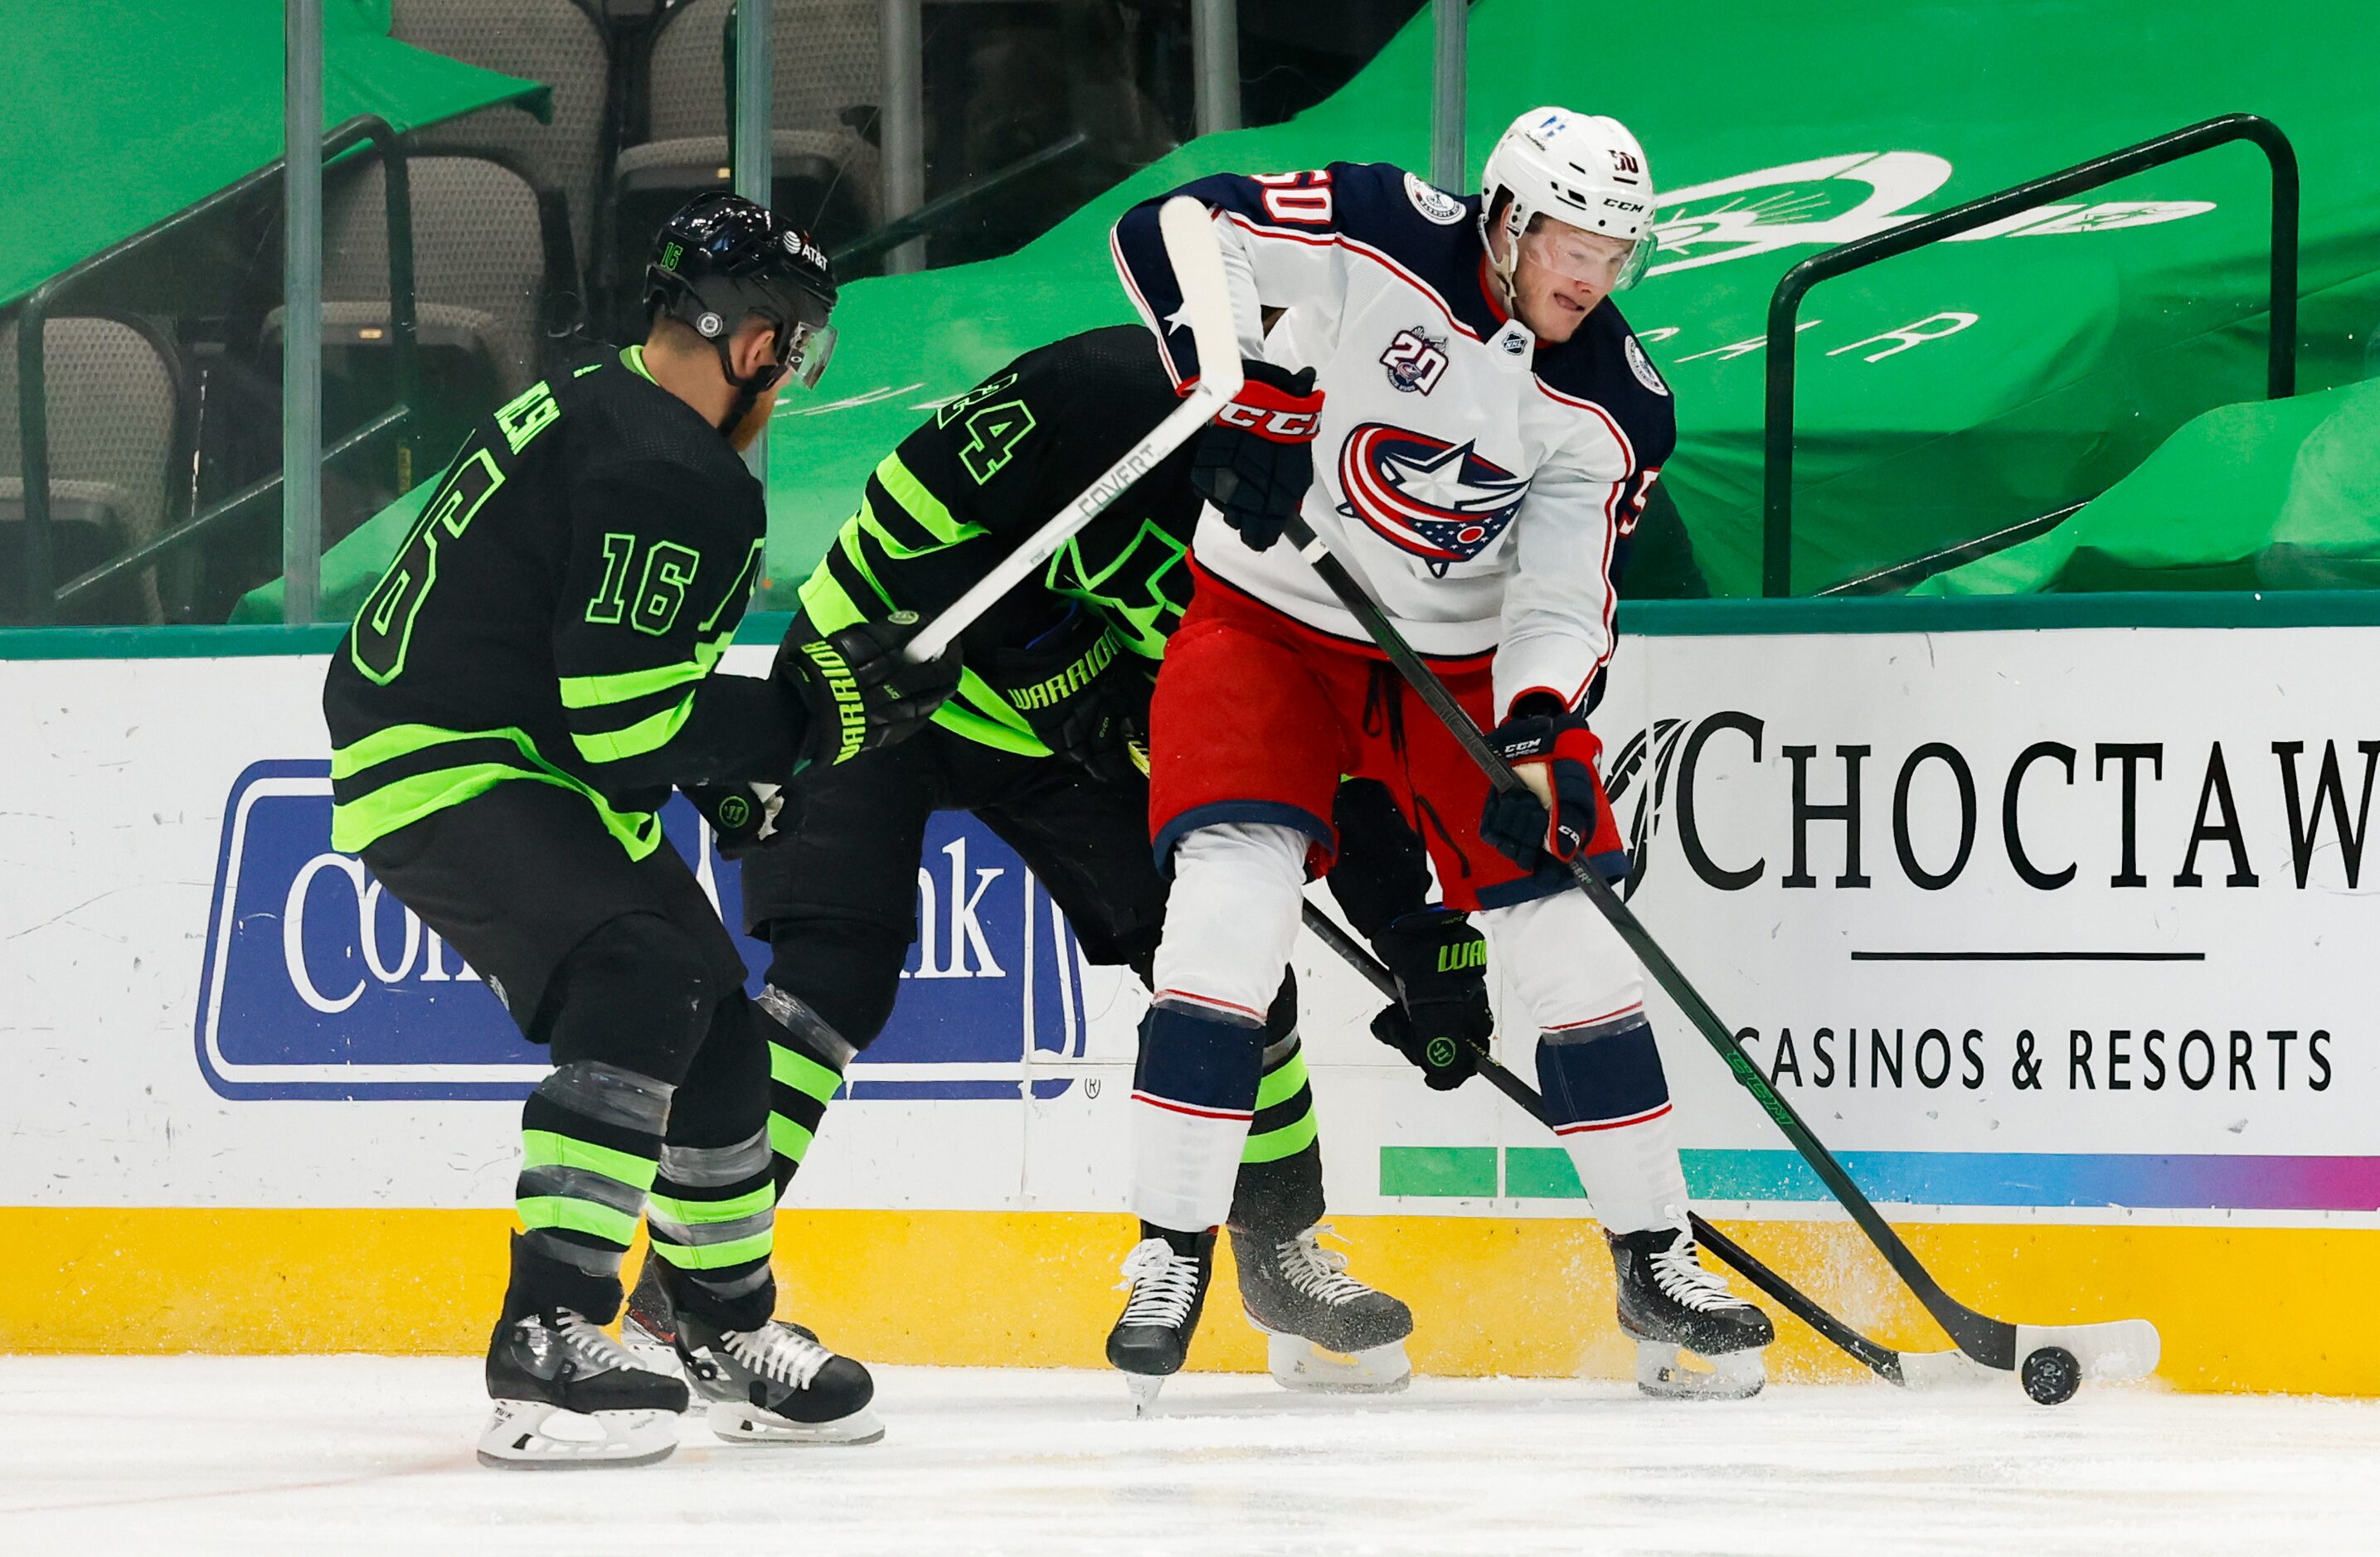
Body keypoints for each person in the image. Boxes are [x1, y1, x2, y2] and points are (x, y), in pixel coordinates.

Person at [620, 324, 1493, 1404]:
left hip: (1061, 741)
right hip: (876, 683)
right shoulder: (1104, 389)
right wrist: (1051, 662)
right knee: (826, 985)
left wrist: (1407, 929)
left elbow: (1339, 758)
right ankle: (683, 1288)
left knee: (1228, 963)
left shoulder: (1343, 542)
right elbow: (916, 516)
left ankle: (1278, 1245)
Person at [1100, 106, 1777, 1400]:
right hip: (1268, 618)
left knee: (1568, 935)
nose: (1592, 276)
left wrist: (1531, 720)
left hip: (1460, 669)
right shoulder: (1379, 227)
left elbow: (1566, 588)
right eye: (1573, 242)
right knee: (1227, 912)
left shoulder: (1614, 401)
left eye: (1616, 253)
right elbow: (1171, 225)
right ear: (1511, 217)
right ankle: (1172, 1244)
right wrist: (1228, 391)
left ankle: (1654, 1253)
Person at [321, 192, 962, 1468]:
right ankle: (550, 1329)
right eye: (795, 340)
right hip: (461, 764)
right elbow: (620, 723)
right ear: (752, 339)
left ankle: (721, 1324)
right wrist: (805, 713)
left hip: (505, 750)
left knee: (716, 1024)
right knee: (640, 968)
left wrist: (726, 762)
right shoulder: (671, 466)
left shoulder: (592, 403)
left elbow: (590, 679)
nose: (792, 369)